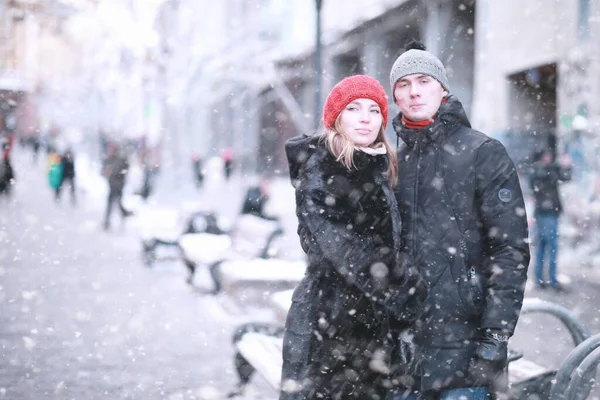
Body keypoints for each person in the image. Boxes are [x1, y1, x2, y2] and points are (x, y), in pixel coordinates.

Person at [387, 41, 531, 399]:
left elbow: (510, 250)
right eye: (403, 84)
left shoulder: (483, 152)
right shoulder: (394, 162)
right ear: (395, 96)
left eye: (423, 80)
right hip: (408, 345)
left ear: (443, 89)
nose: (414, 91)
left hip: (467, 341)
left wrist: (496, 334)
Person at [281, 75, 428, 400]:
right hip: (330, 331)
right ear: (336, 118)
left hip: (369, 331)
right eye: (354, 108)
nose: (365, 118)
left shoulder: (378, 168)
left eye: (374, 110)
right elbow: (349, 250)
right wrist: (411, 291)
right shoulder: (322, 170)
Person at [529, 148, 571, 291]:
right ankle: (551, 280)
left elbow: (565, 177)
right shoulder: (539, 170)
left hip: (548, 212)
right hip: (546, 213)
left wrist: (566, 166)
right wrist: (560, 168)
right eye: (547, 156)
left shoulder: (548, 170)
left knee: (543, 246)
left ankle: (541, 279)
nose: (549, 158)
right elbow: (549, 177)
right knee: (550, 246)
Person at [102, 144, 133, 230]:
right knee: (114, 203)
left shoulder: (119, 159)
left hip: (117, 185)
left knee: (116, 203)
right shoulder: (111, 159)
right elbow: (105, 169)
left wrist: (120, 176)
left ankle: (118, 221)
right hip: (113, 185)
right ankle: (108, 222)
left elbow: (125, 168)